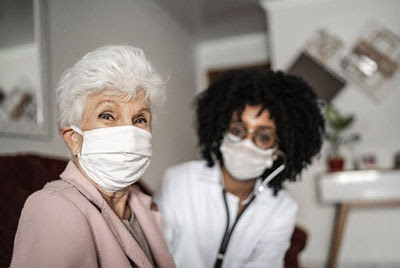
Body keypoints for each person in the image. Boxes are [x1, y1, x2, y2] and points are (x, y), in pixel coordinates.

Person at [11, 45, 175, 268]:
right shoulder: (53, 208)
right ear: (73, 138)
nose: (128, 133)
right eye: (107, 115)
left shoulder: (143, 205)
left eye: (139, 119)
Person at [155, 69, 325, 268]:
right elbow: (154, 254)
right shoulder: (179, 181)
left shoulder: (282, 208)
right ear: (222, 132)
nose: (246, 143)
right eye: (238, 130)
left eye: (263, 137)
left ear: (277, 153)